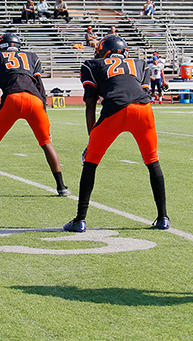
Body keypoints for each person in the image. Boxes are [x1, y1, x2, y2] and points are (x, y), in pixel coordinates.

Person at [63, 35, 170, 233]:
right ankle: (163, 217)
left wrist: (91, 139)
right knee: (153, 161)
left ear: (104, 52)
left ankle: (80, 219)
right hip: (144, 109)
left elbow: (90, 103)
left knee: (91, 163)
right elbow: (143, 90)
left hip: (116, 108)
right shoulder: (139, 63)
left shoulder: (91, 65)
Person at [0, 33, 71, 199]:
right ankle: (61, 187)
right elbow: (40, 87)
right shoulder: (31, 56)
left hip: (12, 98)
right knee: (46, 142)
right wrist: (43, 110)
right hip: (35, 100)